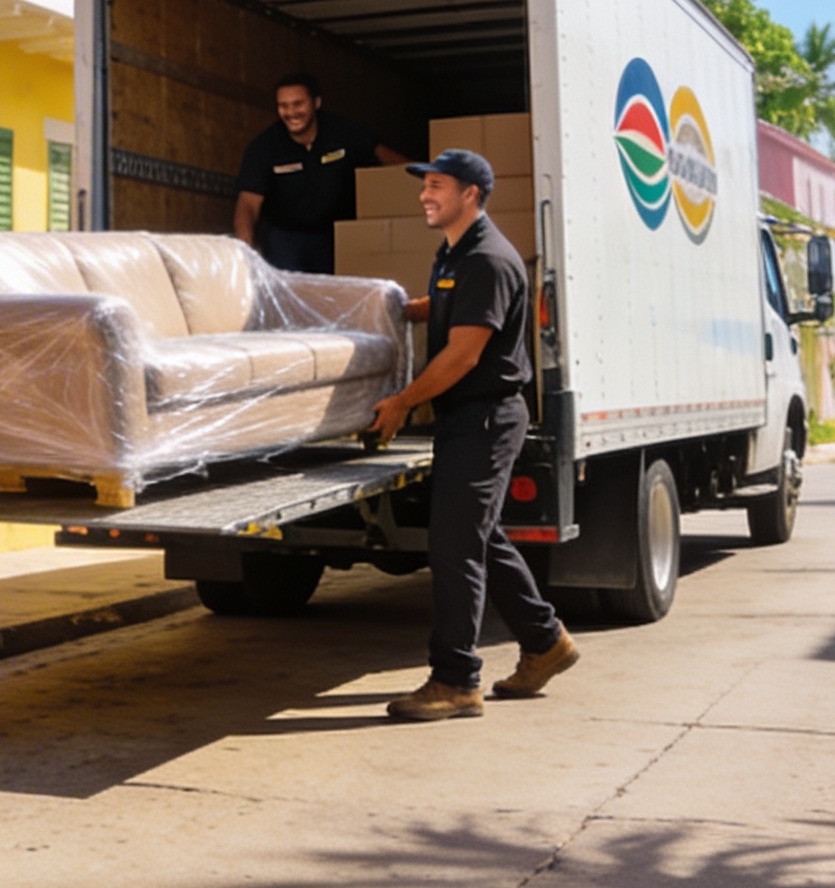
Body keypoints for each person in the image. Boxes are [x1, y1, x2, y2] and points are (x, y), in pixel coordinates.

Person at [369, 148, 578, 722]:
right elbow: (447, 305)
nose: (425, 195)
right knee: (478, 537)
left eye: (437, 185)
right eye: (425, 185)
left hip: (484, 418)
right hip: (468, 417)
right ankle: (546, 641)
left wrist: (402, 403)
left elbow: (463, 354)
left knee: (455, 547)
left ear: (471, 194)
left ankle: (456, 680)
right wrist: (396, 309)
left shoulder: (487, 259)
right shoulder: (456, 252)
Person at [231, 73, 407, 274]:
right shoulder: (264, 147)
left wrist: (424, 175)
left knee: (338, 284)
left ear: (316, 103)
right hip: (286, 236)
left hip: (335, 233)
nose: (291, 112)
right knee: (289, 284)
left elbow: (384, 156)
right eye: (283, 106)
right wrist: (247, 252)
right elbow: (248, 204)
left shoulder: (343, 132)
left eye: (298, 104)